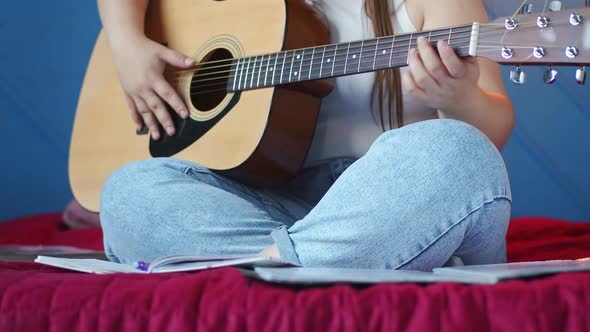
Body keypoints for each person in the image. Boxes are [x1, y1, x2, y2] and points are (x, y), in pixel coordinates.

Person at [98, 0, 514, 271]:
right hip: (275, 205)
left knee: (457, 150)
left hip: (392, 206)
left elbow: (491, 128)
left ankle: (272, 266)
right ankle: (328, 260)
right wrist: (125, 41)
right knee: (129, 191)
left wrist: (459, 98)